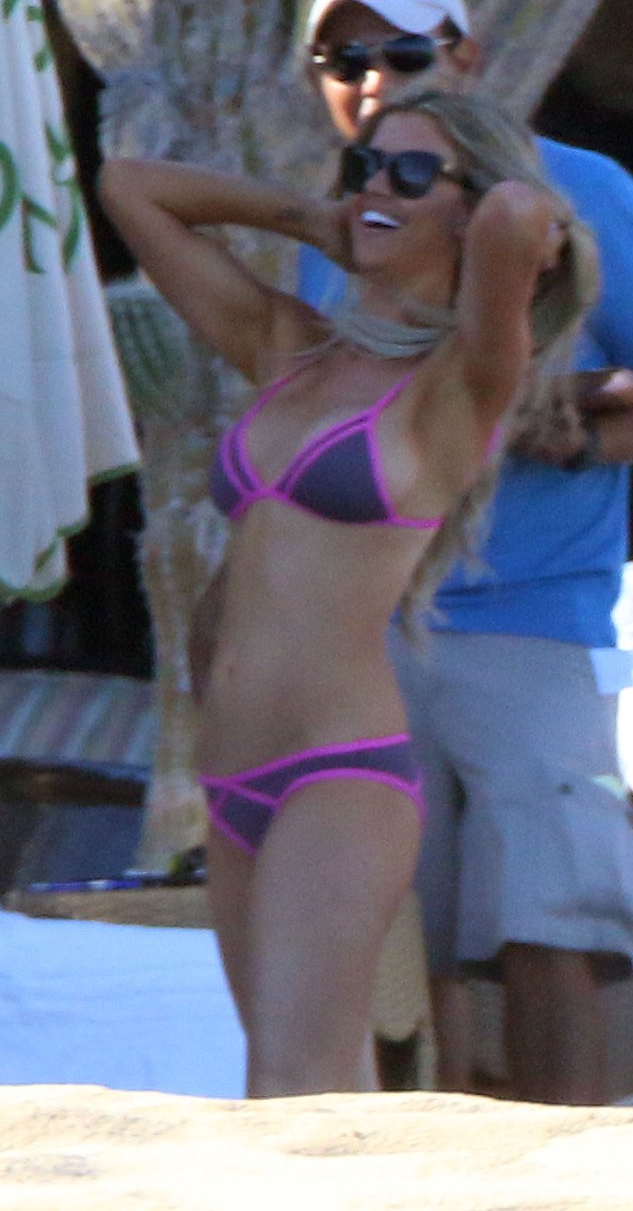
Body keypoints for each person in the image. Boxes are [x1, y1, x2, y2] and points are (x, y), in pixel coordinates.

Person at [99, 87, 595, 1097]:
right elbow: (130, 186)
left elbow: (517, 213)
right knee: (303, 1090)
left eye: (410, 172)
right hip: (231, 771)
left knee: (295, 1088)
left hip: (339, 772)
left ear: (465, 206)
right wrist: (317, 217)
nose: (376, 186)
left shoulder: (461, 384)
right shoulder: (289, 347)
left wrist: (497, 211)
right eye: (364, 165)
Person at [301, 0, 633, 1104]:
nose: (372, 78)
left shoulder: (586, 190)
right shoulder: (339, 219)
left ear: (469, 56)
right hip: (376, 620)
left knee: (553, 930)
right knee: (408, 935)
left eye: (402, 52)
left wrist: (559, 420)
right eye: (342, 58)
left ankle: (576, 1163)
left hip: (537, 614)